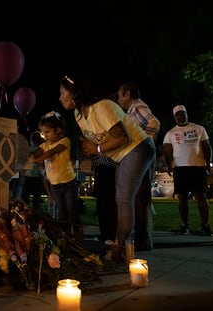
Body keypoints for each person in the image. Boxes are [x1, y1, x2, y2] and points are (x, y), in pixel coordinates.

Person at [59, 75, 156, 265]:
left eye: (62, 93)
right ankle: (121, 244)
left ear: (75, 95)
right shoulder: (78, 115)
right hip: (121, 155)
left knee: (123, 199)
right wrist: (91, 146)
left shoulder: (102, 107)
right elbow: (99, 139)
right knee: (120, 199)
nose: (60, 97)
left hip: (138, 148)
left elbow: (123, 138)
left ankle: (119, 250)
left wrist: (96, 148)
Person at [117, 81, 160, 250]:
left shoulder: (137, 107)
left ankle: (143, 240)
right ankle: (142, 238)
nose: (119, 100)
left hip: (140, 159)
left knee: (140, 198)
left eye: (120, 95)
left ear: (128, 94)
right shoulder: (132, 110)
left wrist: (144, 143)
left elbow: (154, 123)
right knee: (137, 199)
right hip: (139, 157)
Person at [29, 111, 83, 242]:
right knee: (62, 213)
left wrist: (37, 160)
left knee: (72, 211)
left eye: (47, 132)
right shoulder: (45, 144)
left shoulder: (65, 141)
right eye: (43, 133)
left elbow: (52, 152)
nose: (45, 135)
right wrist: (32, 155)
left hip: (69, 183)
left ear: (58, 130)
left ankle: (79, 237)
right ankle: (66, 237)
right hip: (55, 185)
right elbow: (39, 151)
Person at [163, 104, 213, 236]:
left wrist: (208, 164)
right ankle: (184, 225)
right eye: (177, 114)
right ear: (174, 117)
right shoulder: (170, 133)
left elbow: (206, 147)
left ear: (186, 114)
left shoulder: (199, 128)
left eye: (182, 114)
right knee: (182, 198)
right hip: (180, 168)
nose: (180, 116)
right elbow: (167, 151)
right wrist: (169, 166)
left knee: (201, 196)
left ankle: (205, 225)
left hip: (198, 166)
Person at [21, 131, 46, 211]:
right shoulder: (42, 150)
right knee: (36, 198)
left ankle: (25, 213)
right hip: (38, 177)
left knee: (25, 198)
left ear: (31, 140)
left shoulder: (28, 149)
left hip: (28, 177)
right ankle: (36, 215)